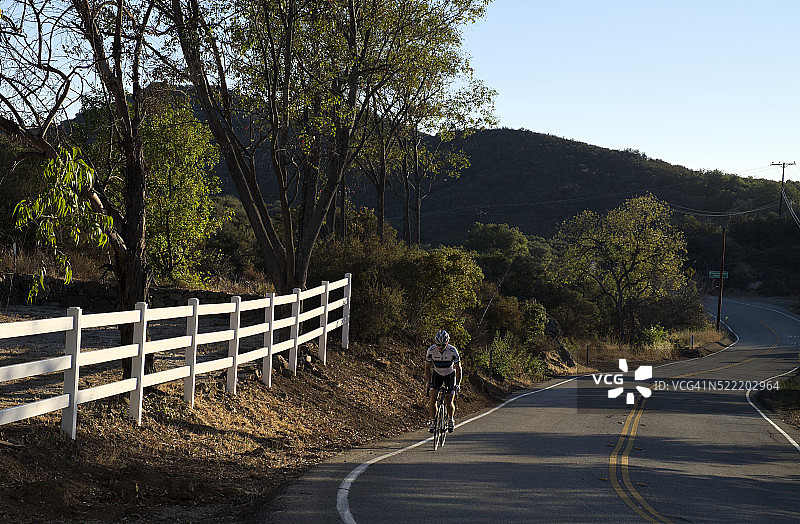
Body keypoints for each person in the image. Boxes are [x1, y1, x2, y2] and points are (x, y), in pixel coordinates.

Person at [425, 329, 462, 433]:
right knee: (433, 398)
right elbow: (427, 368)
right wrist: (429, 381)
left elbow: (458, 369)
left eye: (443, 345)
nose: (441, 347)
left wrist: (457, 384)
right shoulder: (431, 350)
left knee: (449, 401)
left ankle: (450, 420)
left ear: (447, 343)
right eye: (439, 345)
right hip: (437, 374)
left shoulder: (453, 351)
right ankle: (433, 421)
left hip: (450, 374)